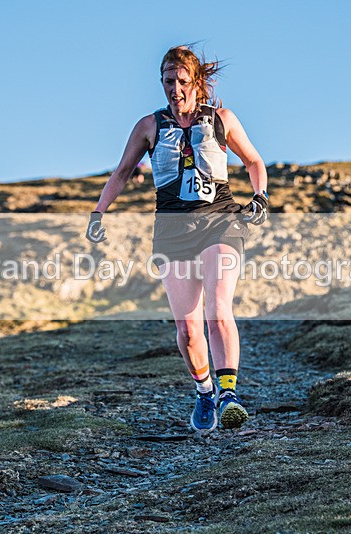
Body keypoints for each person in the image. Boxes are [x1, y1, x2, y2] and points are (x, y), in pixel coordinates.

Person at [86, 46, 268, 433]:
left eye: (182, 81)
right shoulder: (149, 126)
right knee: (187, 331)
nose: (175, 88)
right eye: (168, 81)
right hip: (171, 234)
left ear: (196, 82)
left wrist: (260, 195)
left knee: (217, 309)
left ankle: (229, 394)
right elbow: (121, 173)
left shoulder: (222, 119)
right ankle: (205, 392)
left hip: (220, 223)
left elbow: (253, 161)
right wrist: (99, 211)